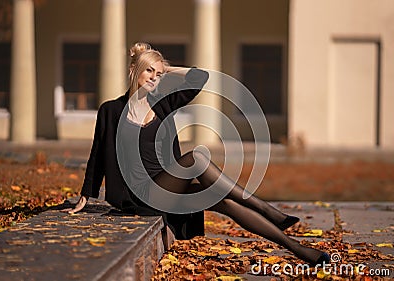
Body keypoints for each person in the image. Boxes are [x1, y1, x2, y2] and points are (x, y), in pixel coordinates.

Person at [63, 42, 330, 266]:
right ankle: (261, 205)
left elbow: (199, 78)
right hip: (138, 194)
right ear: (133, 71)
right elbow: (97, 154)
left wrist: (167, 69)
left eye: (158, 73)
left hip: (166, 185)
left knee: (223, 202)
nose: (155, 78)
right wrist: (86, 194)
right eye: (149, 71)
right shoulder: (111, 110)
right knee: (195, 158)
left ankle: (298, 249)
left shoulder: (163, 104)